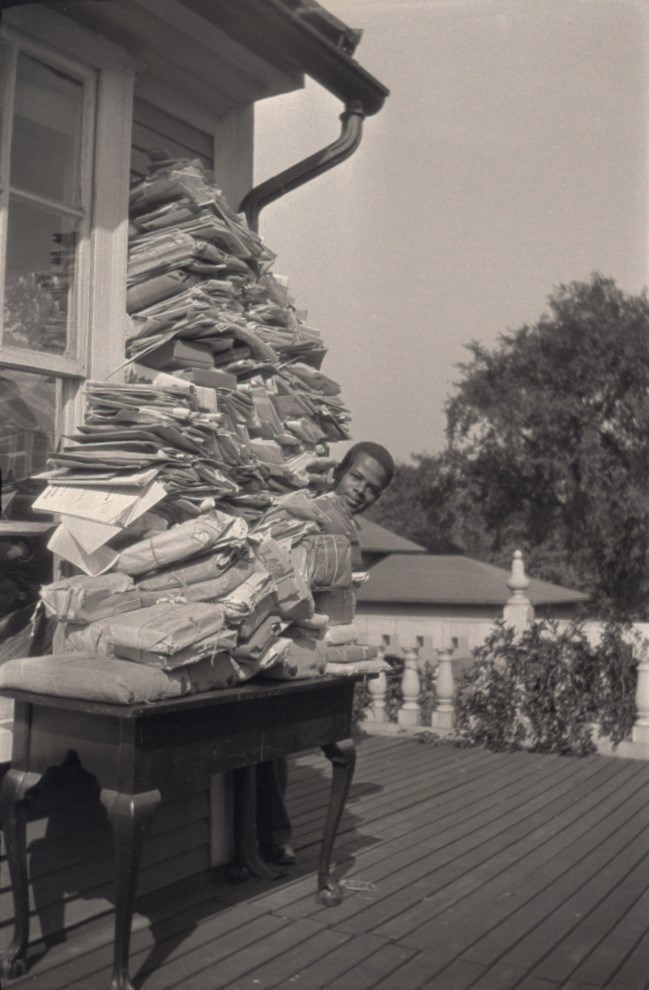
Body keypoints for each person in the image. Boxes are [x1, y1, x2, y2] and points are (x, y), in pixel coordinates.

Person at [257, 441, 394, 865]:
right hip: (292, 640)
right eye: (356, 478)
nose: (360, 491)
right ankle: (269, 838)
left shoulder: (348, 525)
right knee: (272, 744)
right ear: (339, 472)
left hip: (327, 647)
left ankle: (269, 838)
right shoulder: (315, 512)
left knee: (297, 740)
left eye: (372, 489)